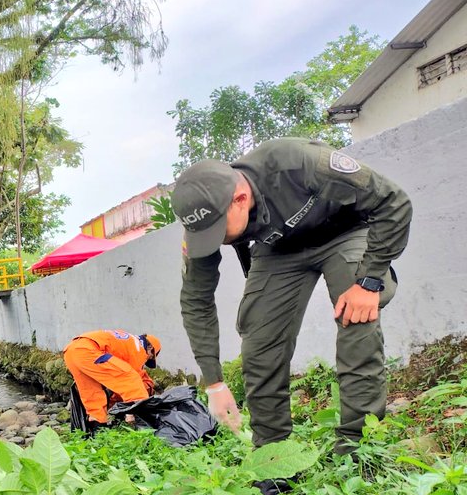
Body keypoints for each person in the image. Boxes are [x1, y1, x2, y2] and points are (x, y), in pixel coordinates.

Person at [172, 137, 412, 465]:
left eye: (218, 230)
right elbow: (196, 301)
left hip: (345, 231)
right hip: (279, 249)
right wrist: (213, 383)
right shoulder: (204, 222)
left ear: (240, 199)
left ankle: (359, 453)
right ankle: (274, 459)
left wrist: (368, 283)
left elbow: (394, 202)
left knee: (357, 321)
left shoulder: (299, 162)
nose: (215, 241)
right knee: (259, 346)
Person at [63, 331, 161, 426]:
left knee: (91, 393)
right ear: (150, 348)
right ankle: (133, 418)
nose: (147, 359)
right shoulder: (139, 350)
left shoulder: (129, 342)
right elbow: (129, 382)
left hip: (71, 351)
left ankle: (97, 429)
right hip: (89, 350)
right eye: (151, 356)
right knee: (131, 378)